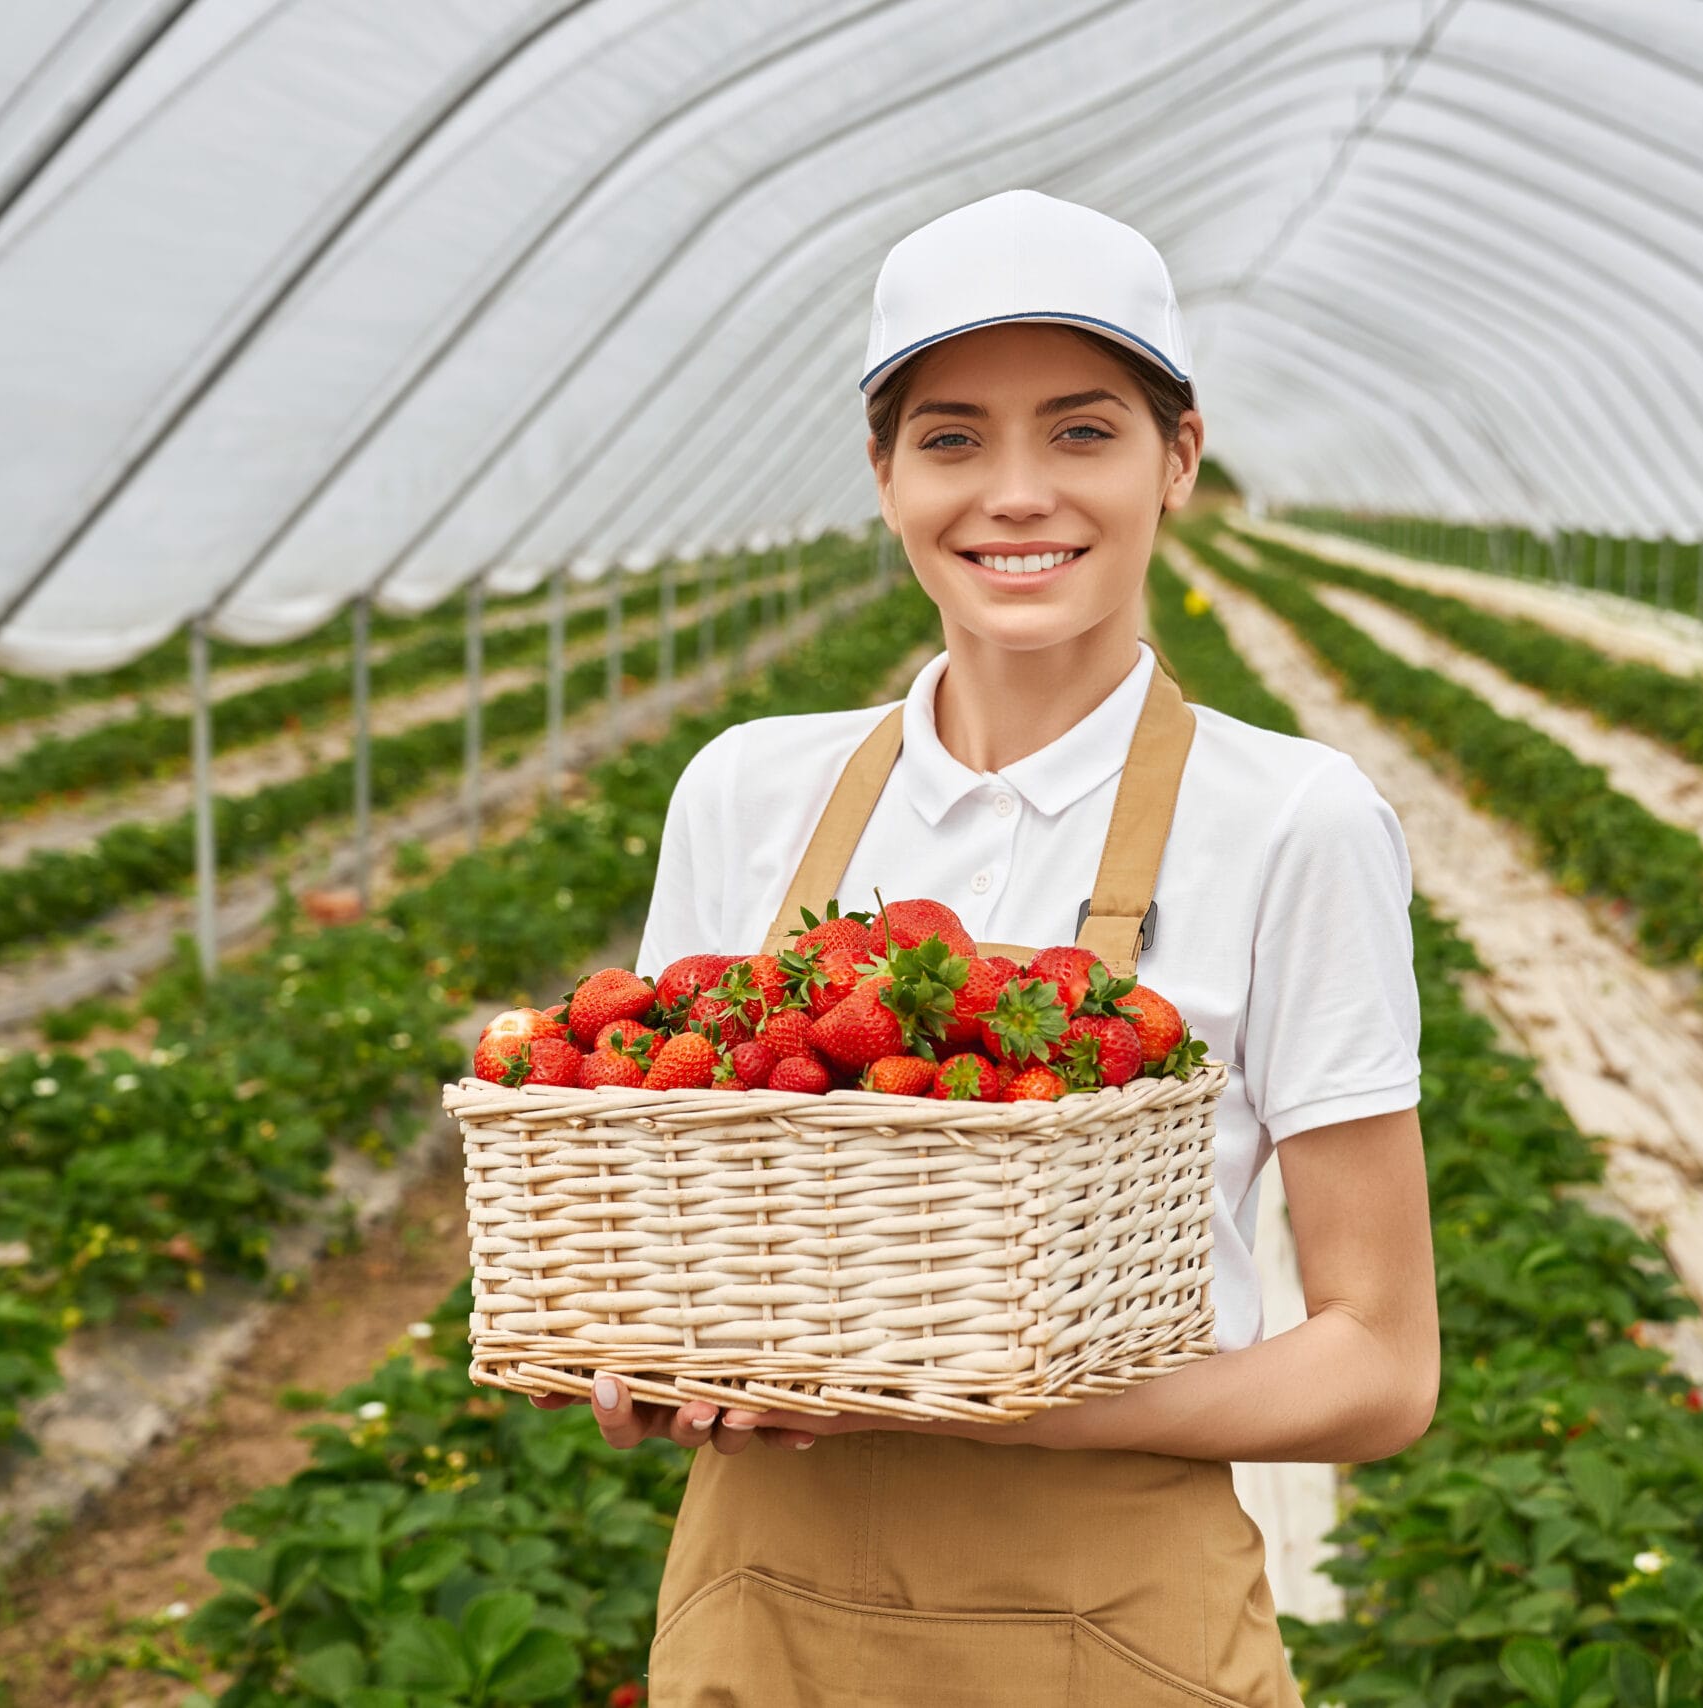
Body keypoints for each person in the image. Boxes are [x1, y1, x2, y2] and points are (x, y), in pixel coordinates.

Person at [536, 188, 1437, 1706]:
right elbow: (673, 1221)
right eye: (951, 438)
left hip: (1115, 1616)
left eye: (1082, 432)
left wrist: (997, 1413)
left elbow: (1380, 1363)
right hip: (764, 1601)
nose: (1014, 494)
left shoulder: (1294, 819)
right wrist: (641, 1362)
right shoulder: (749, 789)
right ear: (883, 474)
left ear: (1181, 457)